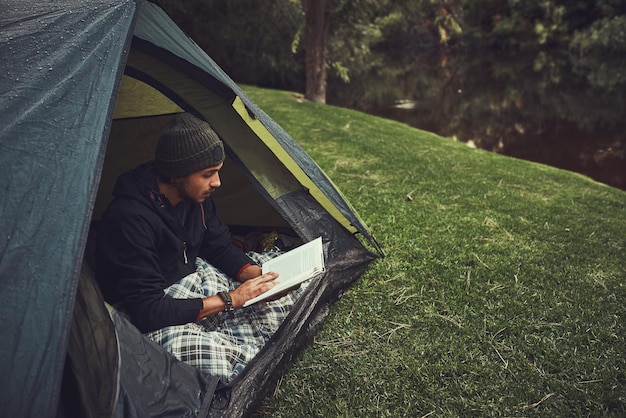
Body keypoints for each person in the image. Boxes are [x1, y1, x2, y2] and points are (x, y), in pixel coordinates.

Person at [96, 112, 302, 382]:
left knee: (281, 297)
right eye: (208, 174)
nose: (217, 183)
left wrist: (257, 275)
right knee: (210, 358)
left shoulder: (198, 198)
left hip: (191, 278)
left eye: (217, 172)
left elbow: (218, 246)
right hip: (151, 306)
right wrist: (231, 300)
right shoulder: (130, 219)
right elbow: (147, 311)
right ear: (176, 175)